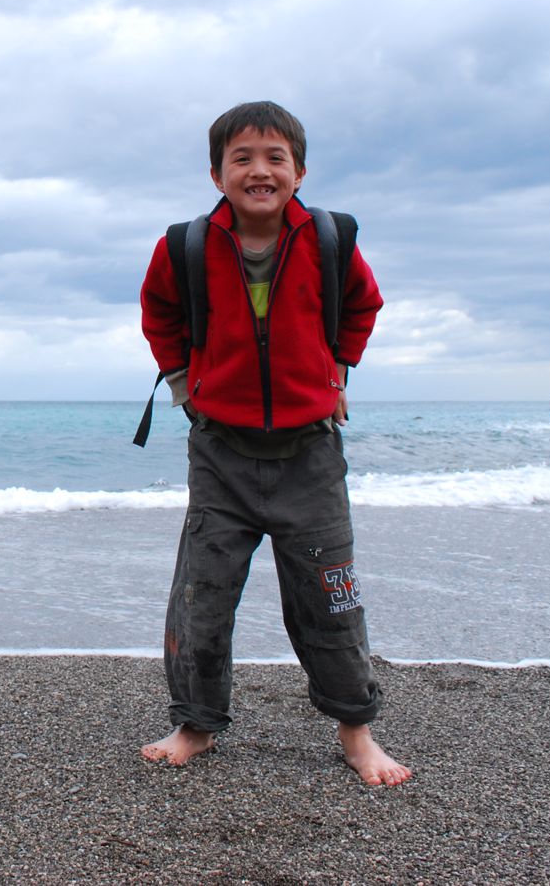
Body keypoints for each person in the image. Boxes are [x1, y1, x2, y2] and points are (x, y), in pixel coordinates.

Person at [137, 100, 409, 787]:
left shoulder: (329, 238)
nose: (259, 170)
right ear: (217, 172)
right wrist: (182, 384)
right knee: (202, 596)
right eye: (242, 158)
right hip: (220, 453)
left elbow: (363, 306)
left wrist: (339, 370)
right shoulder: (184, 246)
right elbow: (159, 314)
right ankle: (195, 723)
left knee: (332, 598)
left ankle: (356, 729)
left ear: (299, 169)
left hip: (310, 456)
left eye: (275, 157)